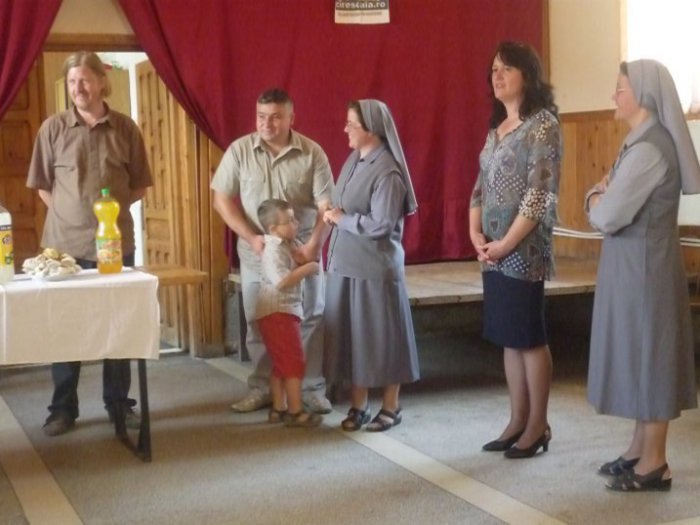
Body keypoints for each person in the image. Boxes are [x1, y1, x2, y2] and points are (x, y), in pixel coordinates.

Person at [585, 59, 700, 492]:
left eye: (621, 88)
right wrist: (599, 195)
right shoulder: (640, 143)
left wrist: (596, 197)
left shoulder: (650, 149)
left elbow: (608, 213)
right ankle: (638, 449)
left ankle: (654, 463)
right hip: (636, 269)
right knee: (640, 356)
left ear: (645, 95)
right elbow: (605, 198)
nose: (613, 95)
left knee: (651, 360)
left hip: (647, 272)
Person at [26, 51, 153, 437]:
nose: (77, 88)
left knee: (118, 326)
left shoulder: (126, 128)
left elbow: (140, 185)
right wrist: (72, 214)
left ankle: (119, 405)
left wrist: (108, 215)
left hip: (114, 245)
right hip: (64, 248)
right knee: (65, 329)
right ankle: (62, 409)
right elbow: (42, 186)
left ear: (101, 82)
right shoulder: (52, 128)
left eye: (84, 80)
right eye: (71, 82)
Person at [211, 88, 334, 414]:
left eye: (276, 117)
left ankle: (310, 389)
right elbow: (221, 200)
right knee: (258, 319)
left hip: (302, 251)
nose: (267, 124)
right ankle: (263, 388)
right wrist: (251, 237)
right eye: (261, 116)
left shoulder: (312, 153)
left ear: (292, 118)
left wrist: (314, 245)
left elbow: (327, 207)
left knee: (310, 317)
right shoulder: (239, 151)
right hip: (257, 254)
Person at [469, 41, 561, 458]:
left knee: (528, 336)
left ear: (528, 75)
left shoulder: (542, 125)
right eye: (493, 69)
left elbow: (540, 194)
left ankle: (538, 425)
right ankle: (516, 420)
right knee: (509, 336)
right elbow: (479, 188)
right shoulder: (496, 130)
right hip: (493, 251)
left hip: (523, 249)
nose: (497, 76)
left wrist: (506, 243)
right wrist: (475, 234)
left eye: (506, 68)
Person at [323, 99, 420, 432]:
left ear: (372, 129)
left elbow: (381, 224)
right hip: (346, 266)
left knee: (383, 339)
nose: (345, 129)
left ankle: (391, 406)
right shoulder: (354, 160)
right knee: (356, 340)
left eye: (352, 124)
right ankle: (359, 404)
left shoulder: (388, 171)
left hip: (374, 271)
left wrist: (342, 219)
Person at [255, 198, 323, 427]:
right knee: (294, 362)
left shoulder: (287, 243)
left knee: (281, 362)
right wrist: (308, 269)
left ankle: (279, 407)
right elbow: (282, 281)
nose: (296, 224)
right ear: (273, 228)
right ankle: (295, 411)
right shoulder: (273, 250)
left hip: (284, 310)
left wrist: (302, 256)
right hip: (278, 312)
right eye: (290, 221)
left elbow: (302, 255)